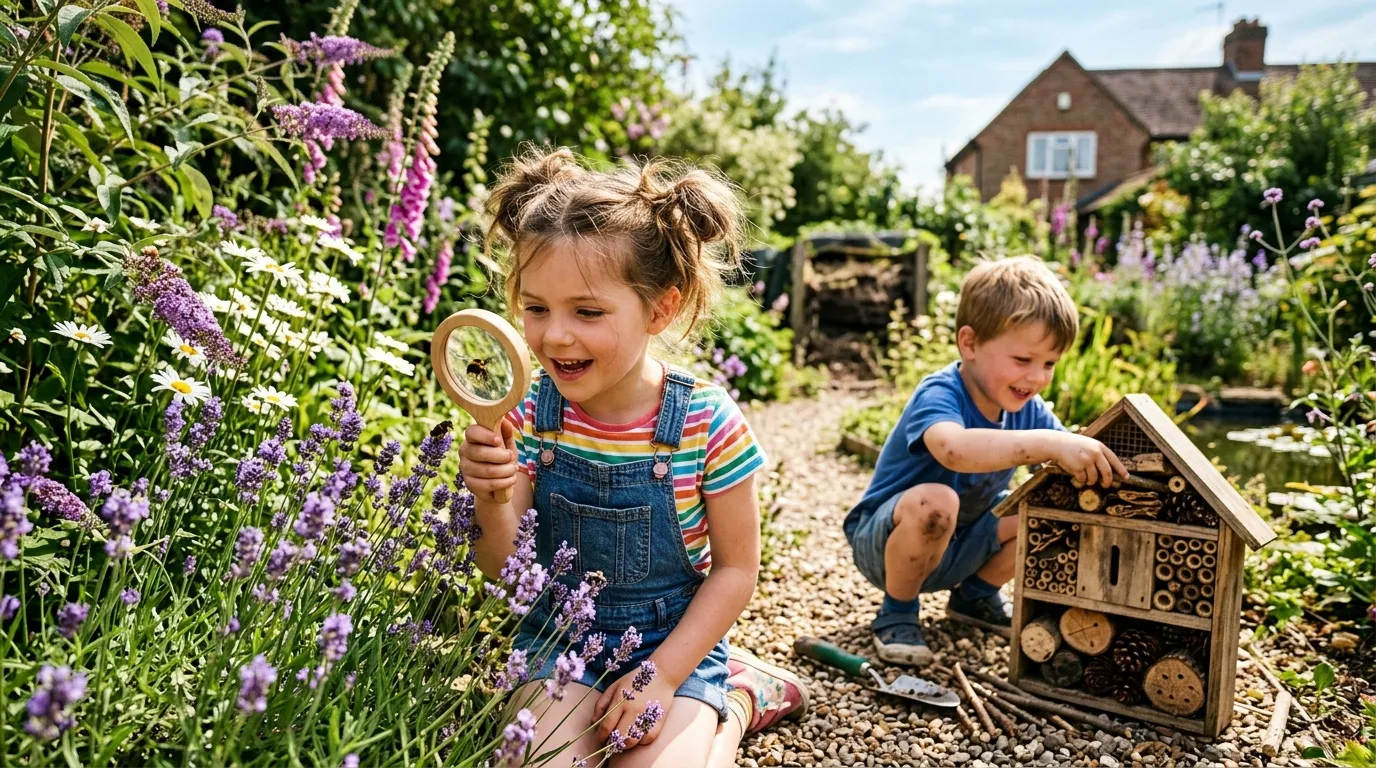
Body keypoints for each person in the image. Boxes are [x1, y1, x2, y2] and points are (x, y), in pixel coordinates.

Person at [460, 146, 808, 767]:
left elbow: (735, 570)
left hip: (672, 643)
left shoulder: (706, 421)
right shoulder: (528, 414)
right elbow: (500, 569)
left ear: (660, 308)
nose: (555, 334)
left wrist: (664, 675)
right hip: (558, 638)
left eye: (587, 312)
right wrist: (490, 497)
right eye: (536, 308)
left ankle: (734, 705)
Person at [843, 255, 1129, 666]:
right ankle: (897, 612)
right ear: (970, 343)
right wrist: (1048, 443)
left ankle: (974, 597)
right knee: (937, 501)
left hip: (964, 546)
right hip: (887, 544)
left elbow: (1059, 461)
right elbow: (954, 449)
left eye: (1049, 363)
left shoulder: (1029, 410)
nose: (1037, 377)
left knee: (1049, 511)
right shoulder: (941, 393)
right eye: (1023, 360)